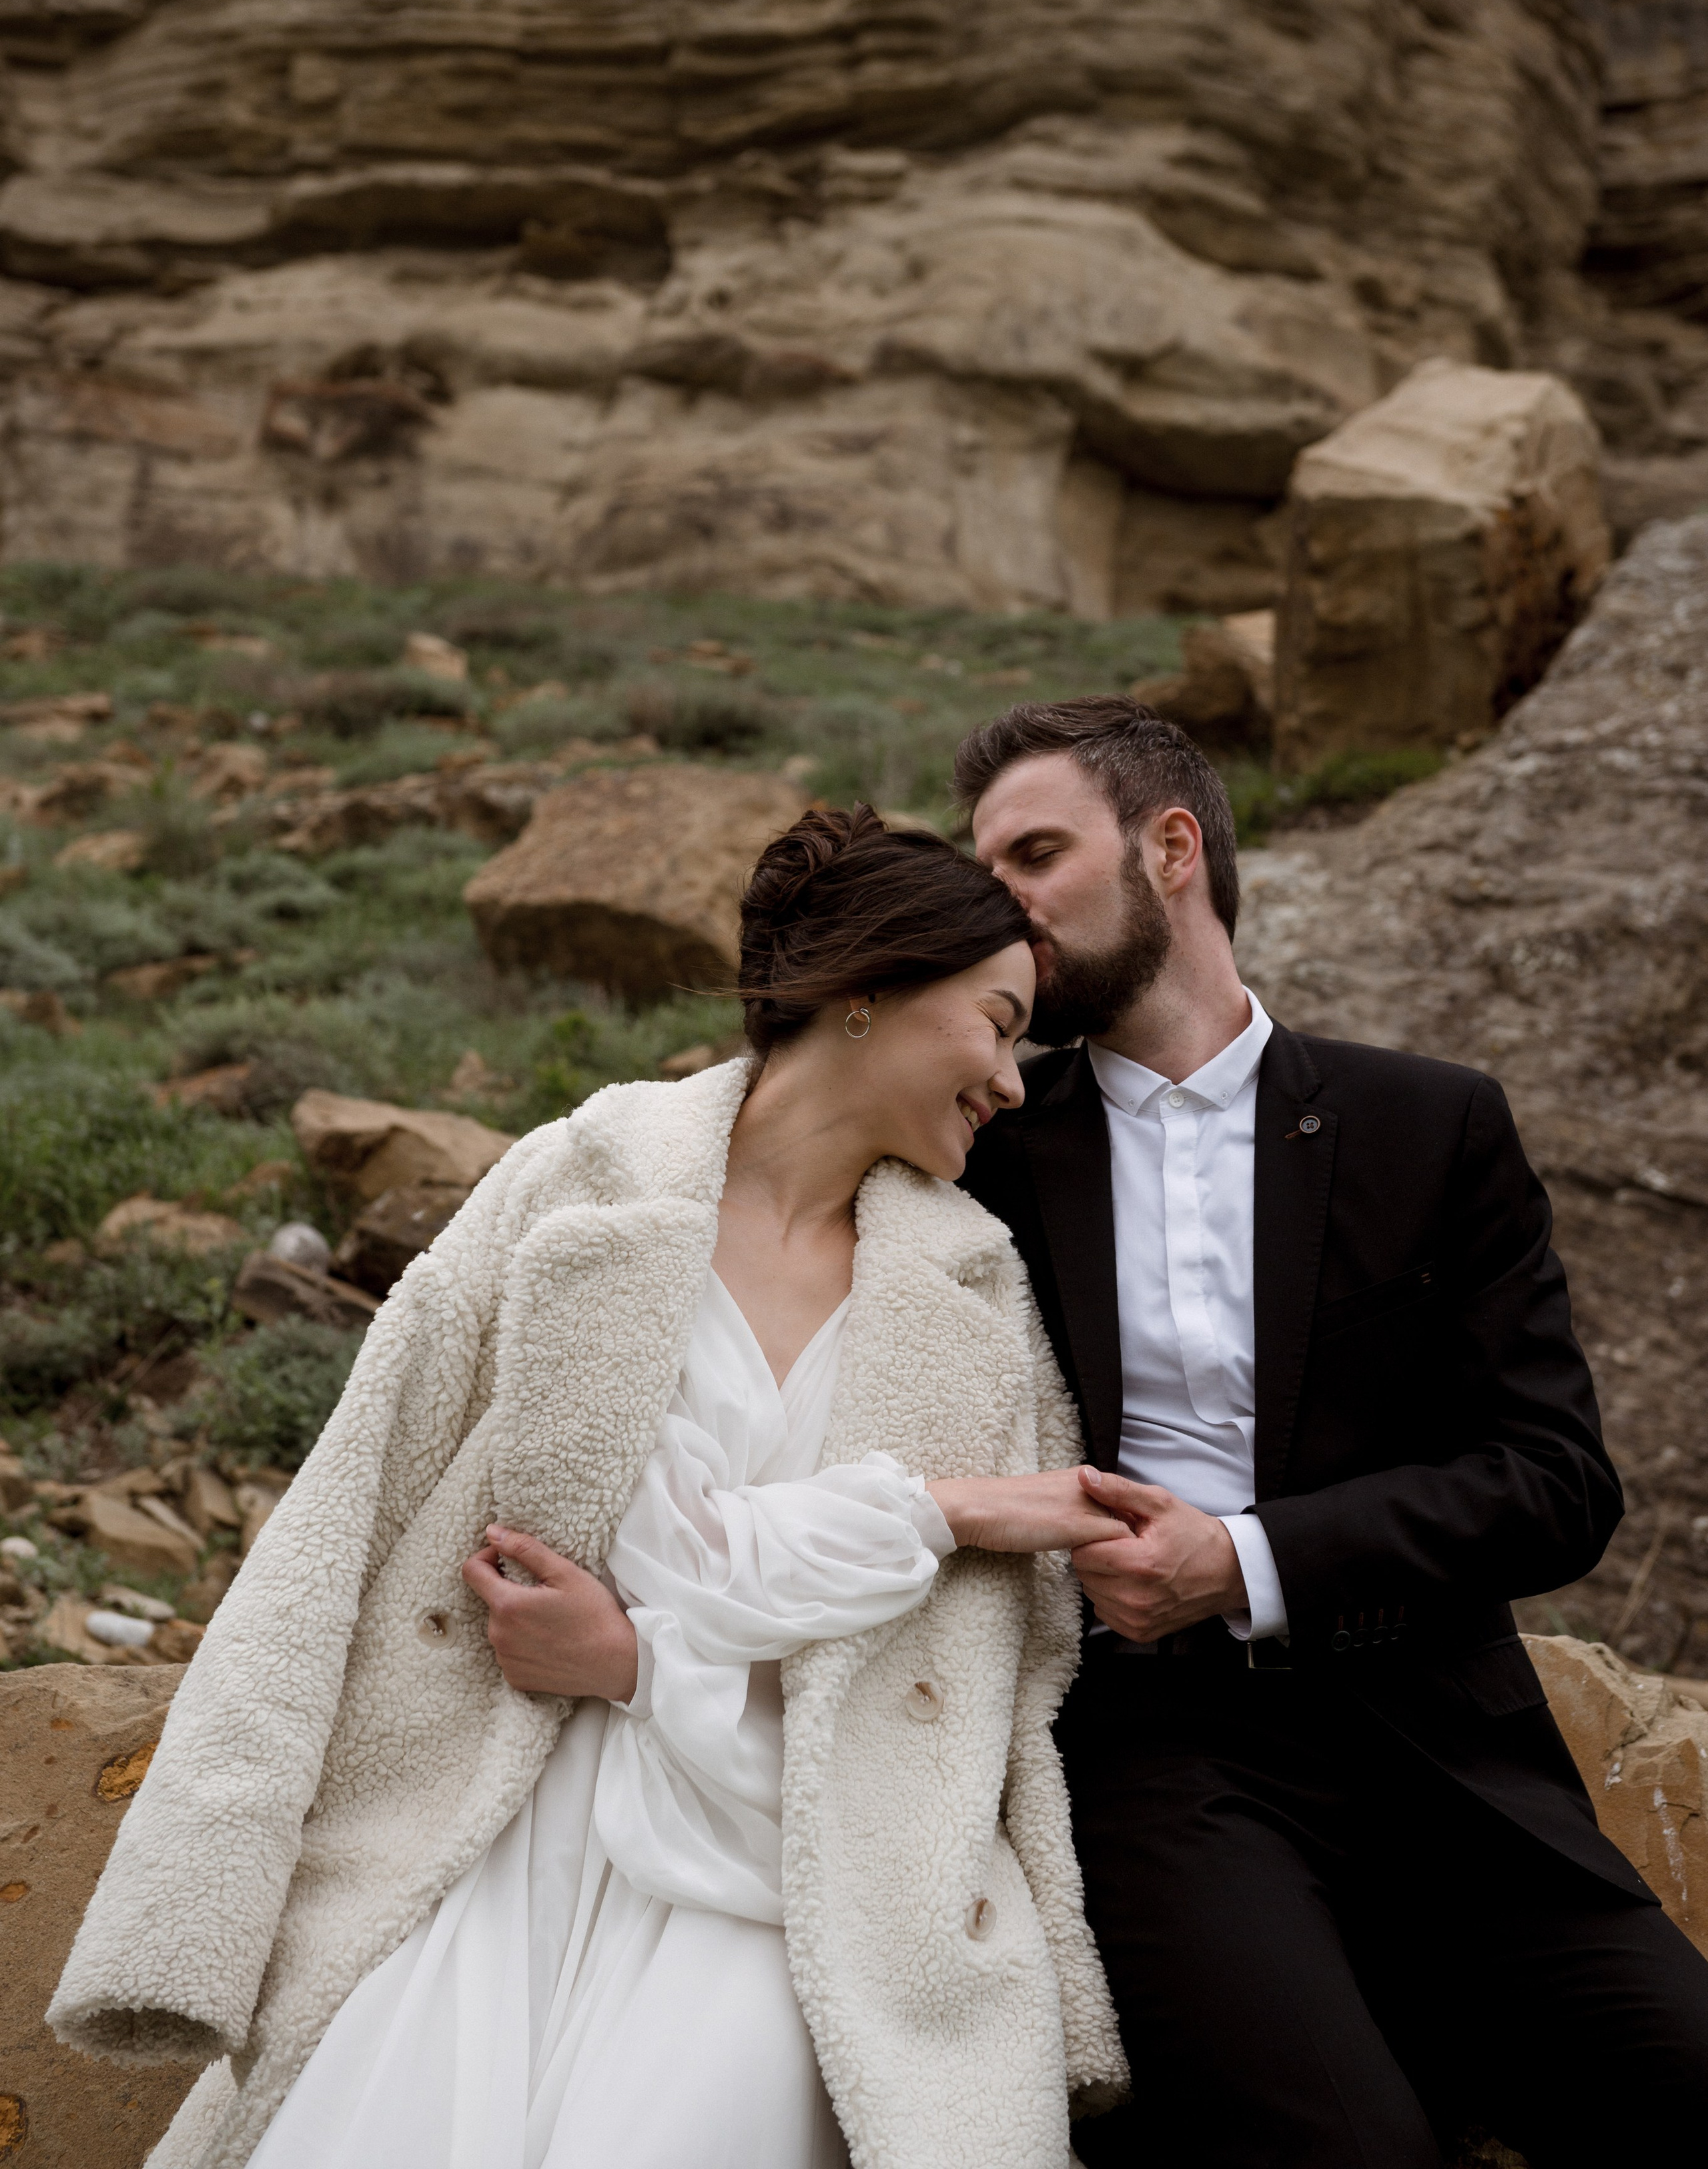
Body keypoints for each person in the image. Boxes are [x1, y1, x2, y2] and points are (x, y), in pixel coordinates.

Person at [50, 805, 1126, 2169]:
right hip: (497, 1816)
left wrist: (636, 1659)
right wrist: (189, 1907)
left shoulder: (970, 1294)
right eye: (994, 1019)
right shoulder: (577, 1186)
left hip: (783, 1866)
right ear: (866, 992)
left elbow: (990, 1679)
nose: (1012, 1080)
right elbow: (339, 1523)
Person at [954, 695, 1708, 2168]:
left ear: (1170, 848)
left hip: (1440, 1734)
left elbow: (1555, 1484)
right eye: (984, 871)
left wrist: (1242, 1558)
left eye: (1034, 853)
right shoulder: (982, 1147)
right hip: (1157, 1751)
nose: (1004, 905)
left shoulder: (1428, 1125)